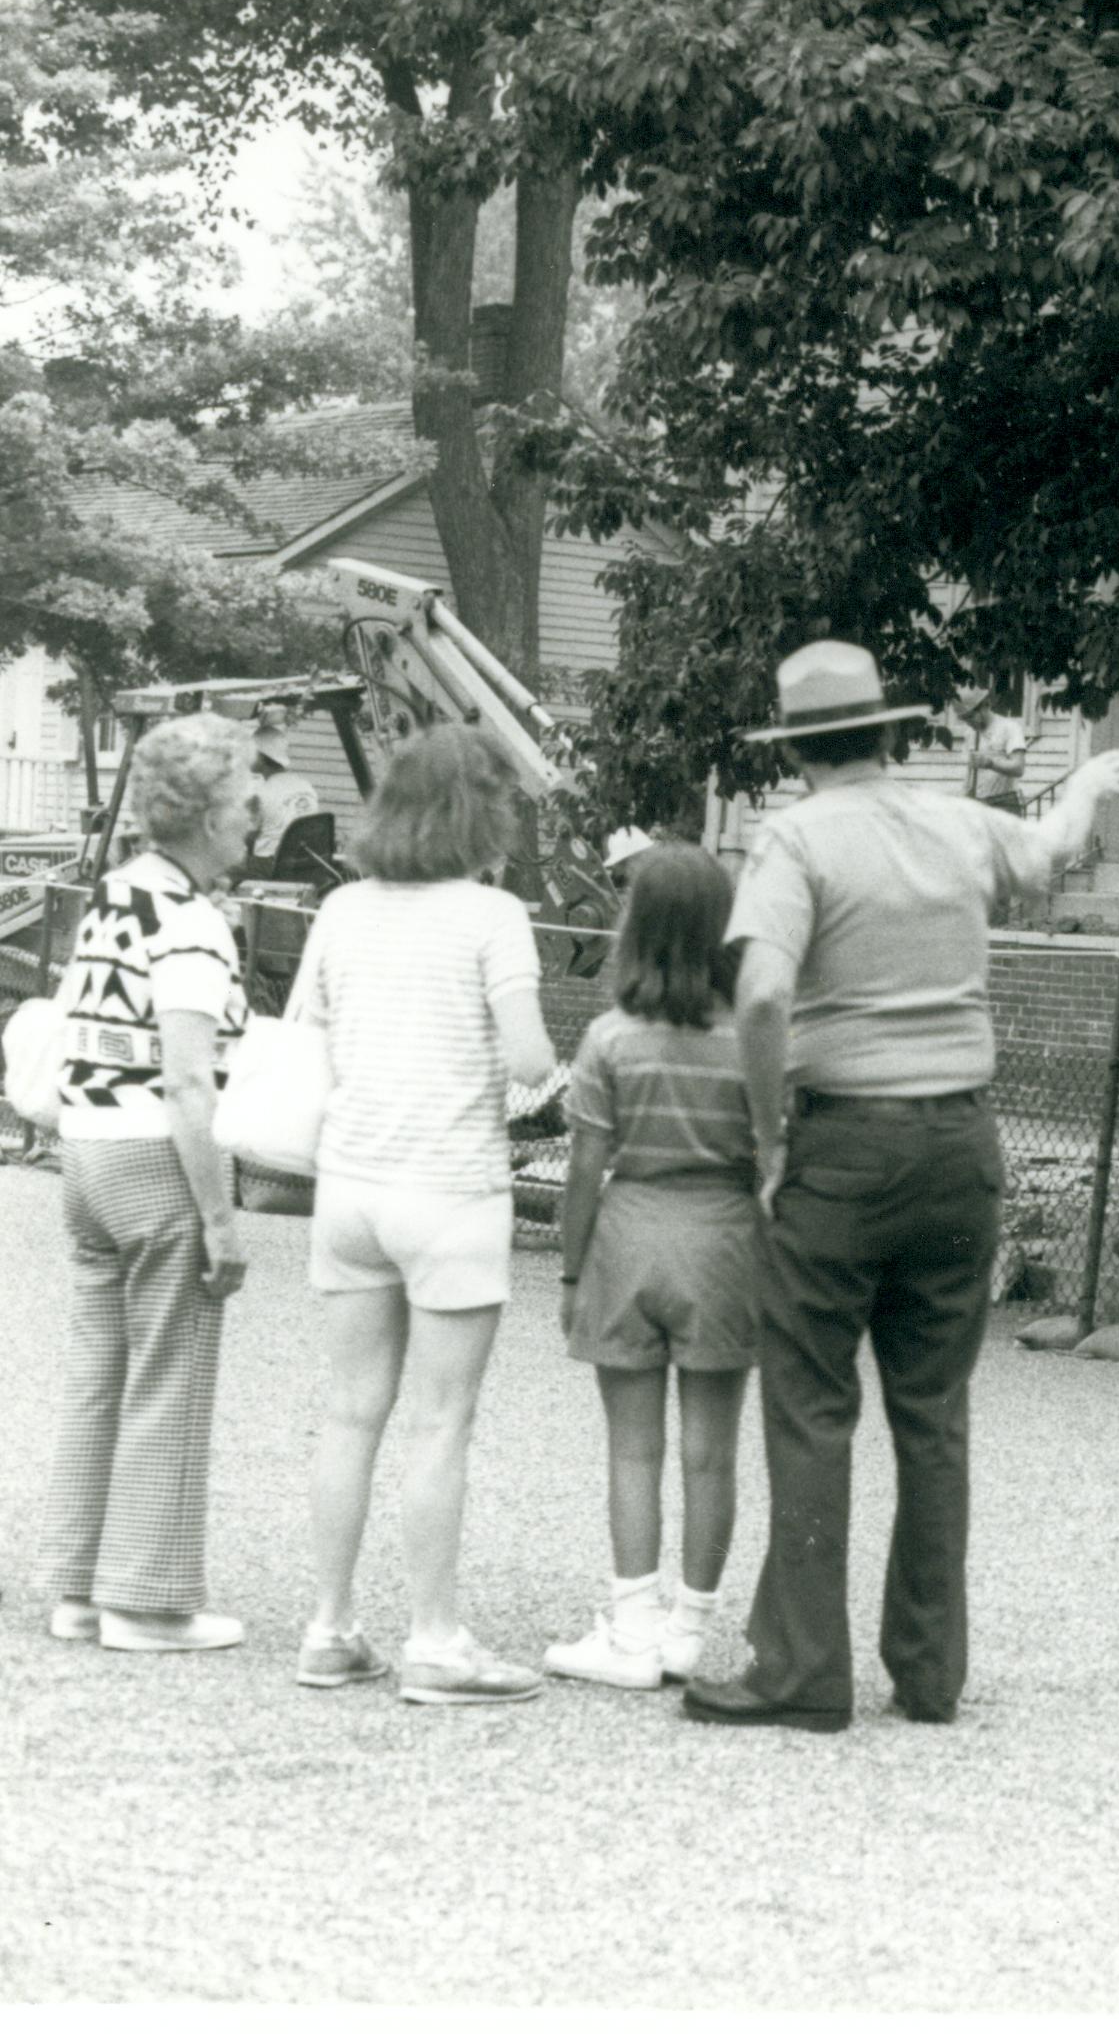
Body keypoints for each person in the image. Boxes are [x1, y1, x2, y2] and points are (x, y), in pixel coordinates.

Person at [683, 640, 1119, 1732]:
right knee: (933, 1412)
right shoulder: (956, 822)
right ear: (891, 733)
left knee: (811, 1408)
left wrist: (767, 1130)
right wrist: (1081, 786)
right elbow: (1051, 848)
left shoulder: (794, 839)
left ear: (796, 752)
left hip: (842, 1145)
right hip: (960, 1142)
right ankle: (929, 1672)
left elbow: (758, 999)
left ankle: (800, 1668)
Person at [292, 725, 558, 1704]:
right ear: (482, 812)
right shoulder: (493, 915)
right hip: (449, 1185)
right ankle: (435, 1639)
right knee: (440, 1420)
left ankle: (329, 1625)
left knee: (349, 1409)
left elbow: (311, 1037)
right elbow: (529, 1056)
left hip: (350, 1183)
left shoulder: (341, 908)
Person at [35, 715, 257, 1652]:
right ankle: (147, 1598)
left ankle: (77, 1585)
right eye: (246, 796)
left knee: (99, 1372)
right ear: (206, 813)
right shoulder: (193, 923)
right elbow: (187, 1077)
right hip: (153, 1156)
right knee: (172, 1368)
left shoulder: (115, 895)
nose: (256, 814)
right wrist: (221, 1218)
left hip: (84, 1152)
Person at [541, 843, 757, 1690]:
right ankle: (691, 1630)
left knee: (633, 1451)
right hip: (725, 1245)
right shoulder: (752, 1039)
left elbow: (585, 1170)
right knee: (712, 1453)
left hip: (629, 1239)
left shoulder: (609, 1040)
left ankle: (631, 1627)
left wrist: (570, 1274)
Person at [241, 719, 325, 876]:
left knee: (218, 869)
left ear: (259, 757)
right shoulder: (306, 786)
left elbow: (247, 838)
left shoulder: (260, 795)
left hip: (269, 865)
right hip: (303, 864)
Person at [958, 690, 1030, 812]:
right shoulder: (970, 733)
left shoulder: (1009, 727)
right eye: (964, 719)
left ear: (985, 706)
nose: (968, 723)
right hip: (978, 804)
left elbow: (1019, 768)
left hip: (1005, 803)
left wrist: (990, 763)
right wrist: (964, 798)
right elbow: (970, 771)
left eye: (970, 717)